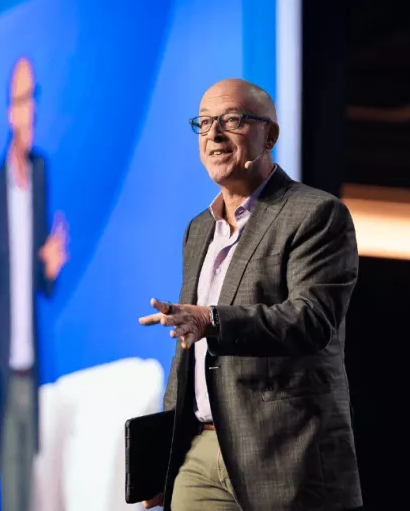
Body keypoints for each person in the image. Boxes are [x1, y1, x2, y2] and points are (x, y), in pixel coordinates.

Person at [138, 79, 362, 511]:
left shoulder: (315, 214)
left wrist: (213, 320)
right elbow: (186, 352)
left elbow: (311, 320)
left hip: (286, 452)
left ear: (270, 135)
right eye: (203, 124)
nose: (214, 135)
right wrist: (162, 462)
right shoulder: (198, 229)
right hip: (201, 452)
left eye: (232, 120)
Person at [0, 57, 69, 511]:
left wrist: (48, 269)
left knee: (32, 492)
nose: (30, 109)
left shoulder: (41, 173)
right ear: (8, 113)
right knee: (10, 497)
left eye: (34, 97)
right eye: (21, 99)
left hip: (30, 370)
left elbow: (34, 280)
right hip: (1, 374)